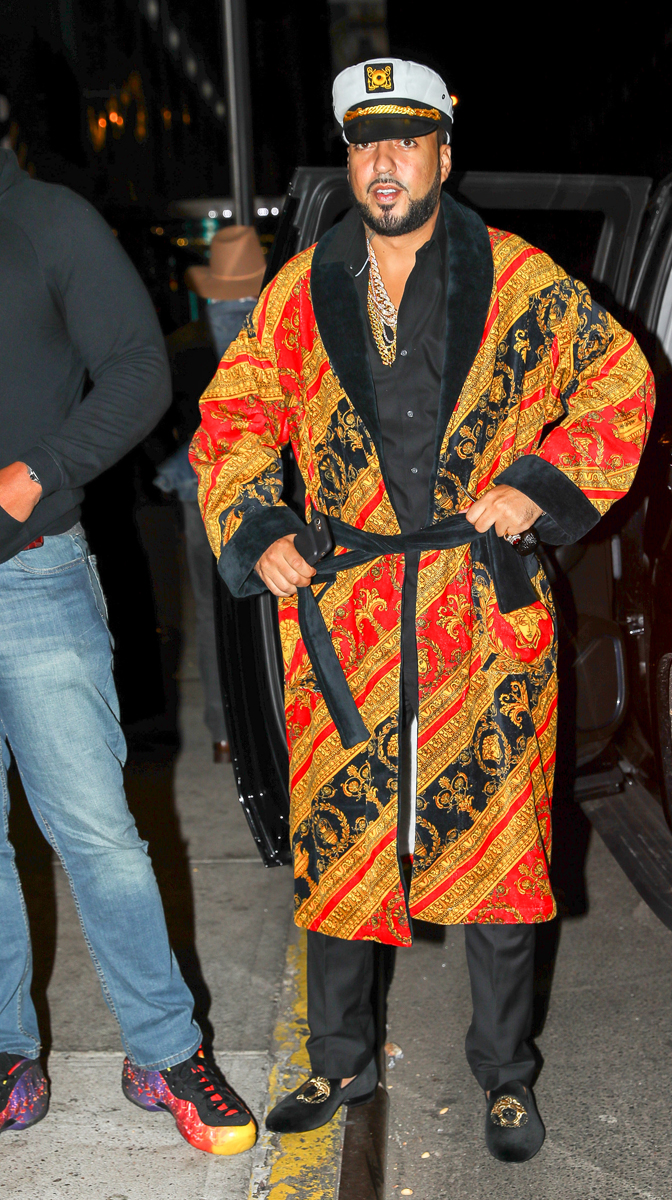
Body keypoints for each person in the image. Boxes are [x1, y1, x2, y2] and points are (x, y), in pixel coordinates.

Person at [191, 57, 655, 1163]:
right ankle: (340, 1056)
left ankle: (504, 1074)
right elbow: (236, 413)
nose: (383, 163)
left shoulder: (519, 279)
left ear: (445, 155)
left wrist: (534, 487)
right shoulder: (301, 288)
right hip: (345, 614)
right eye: (364, 144)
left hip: (477, 605)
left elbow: (616, 381)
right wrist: (259, 528)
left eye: (405, 142)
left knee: (498, 849)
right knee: (342, 843)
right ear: (349, 159)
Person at [0, 144, 255, 1155]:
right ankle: (10, 1054)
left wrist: (39, 471)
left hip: (32, 574)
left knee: (97, 833)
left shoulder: (45, 218)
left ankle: (164, 1051)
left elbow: (142, 372)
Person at [155, 225, 267, 761]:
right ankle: (260, 722)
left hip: (197, 491)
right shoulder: (276, 335)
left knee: (211, 610)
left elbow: (157, 421)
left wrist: (175, 467)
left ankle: (224, 731)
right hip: (257, 486)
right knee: (267, 607)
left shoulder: (182, 347)